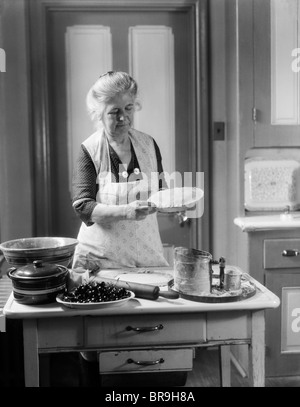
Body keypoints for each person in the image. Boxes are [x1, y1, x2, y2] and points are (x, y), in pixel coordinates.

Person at [71, 71, 169, 272]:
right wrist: (127, 211)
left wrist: (175, 203)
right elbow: (83, 207)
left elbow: (161, 191)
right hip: (100, 261)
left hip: (147, 257)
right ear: (99, 113)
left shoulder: (149, 145)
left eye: (128, 108)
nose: (123, 117)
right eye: (114, 111)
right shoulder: (89, 150)